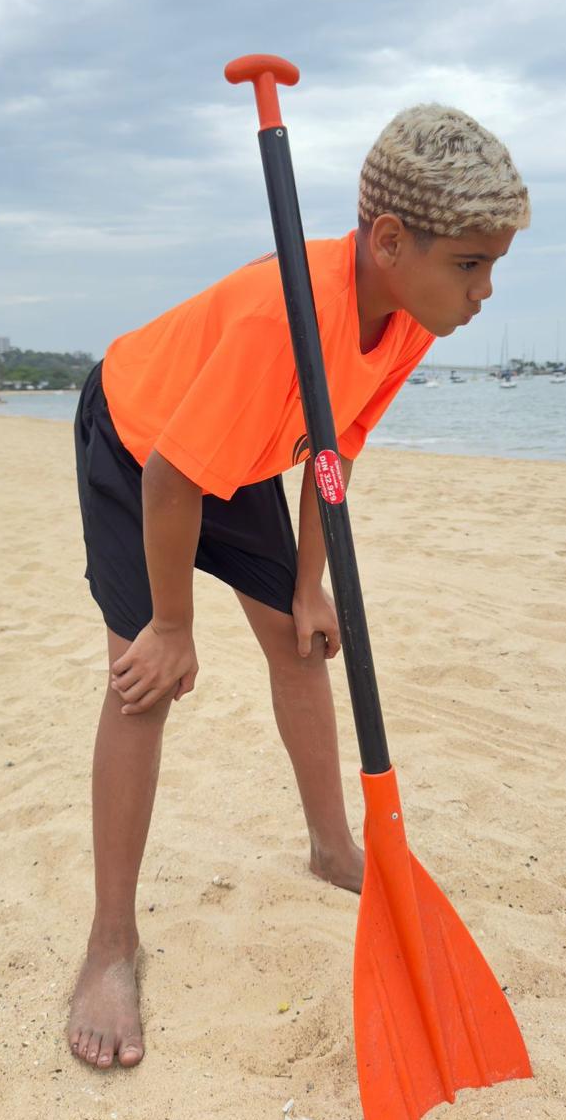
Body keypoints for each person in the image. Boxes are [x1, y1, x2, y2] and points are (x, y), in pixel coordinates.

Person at [68, 103, 530, 1070]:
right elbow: (172, 479)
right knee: (144, 681)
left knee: (296, 641)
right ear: (391, 241)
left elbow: (332, 449)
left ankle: (331, 847)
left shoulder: (411, 319)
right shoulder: (279, 319)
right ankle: (110, 944)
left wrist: (310, 584)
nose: (485, 291)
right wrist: (172, 624)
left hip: (237, 451)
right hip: (141, 442)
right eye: (470, 264)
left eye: (492, 265)